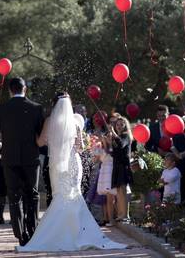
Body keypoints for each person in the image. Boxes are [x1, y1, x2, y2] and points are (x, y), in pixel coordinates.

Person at [17, 91, 126, 252]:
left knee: (60, 196)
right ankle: (77, 234)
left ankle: (59, 234)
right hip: (74, 163)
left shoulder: (49, 121)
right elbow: (81, 148)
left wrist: (33, 134)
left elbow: (40, 143)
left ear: (54, 104)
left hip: (57, 165)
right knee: (74, 196)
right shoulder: (74, 123)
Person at [0, 77, 45, 247]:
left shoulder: (2, 109)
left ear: (10, 91)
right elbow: (41, 135)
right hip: (30, 159)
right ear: (24, 89)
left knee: (14, 195)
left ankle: (20, 233)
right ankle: (32, 230)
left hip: (9, 159)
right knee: (32, 195)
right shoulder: (36, 108)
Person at [107, 115, 133, 222]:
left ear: (125, 126)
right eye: (117, 124)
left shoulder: (126, 135)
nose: (119, 126)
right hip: (117, 166)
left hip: (123, 166)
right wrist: (110, 142)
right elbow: (114, 152)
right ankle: (121, 214)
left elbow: (121, 144)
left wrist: (112, 132)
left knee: (123, 190)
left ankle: (125, 215)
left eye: (121, 124)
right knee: (118, 191)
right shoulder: (117, 137)